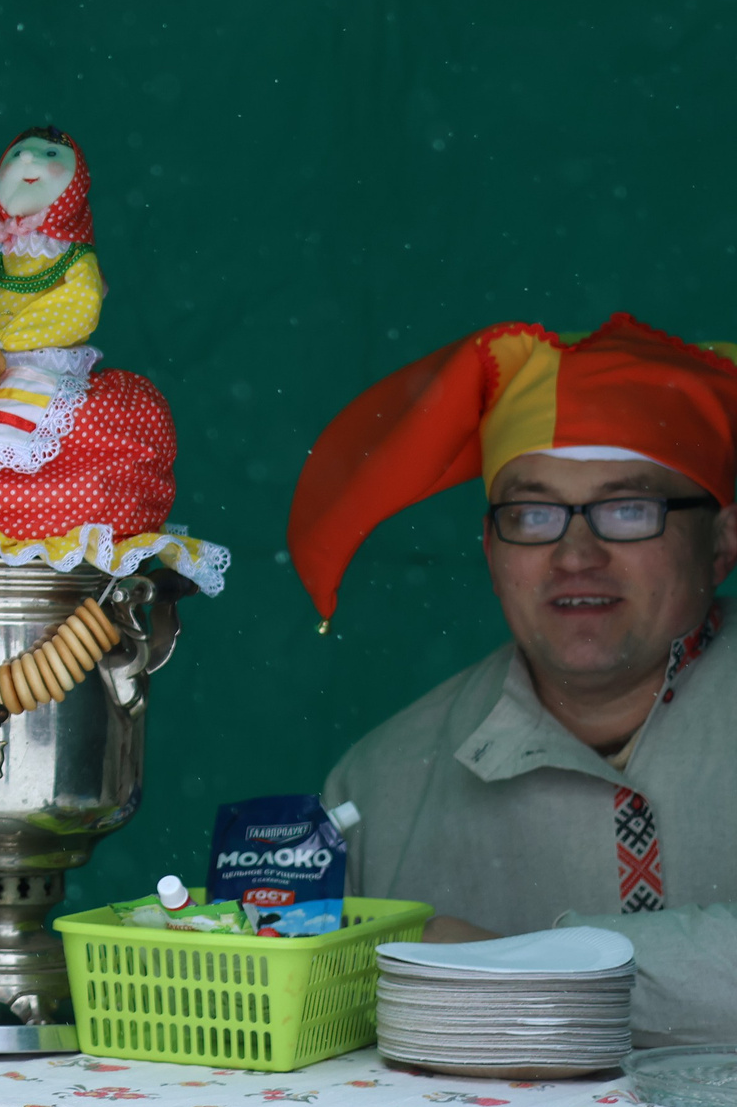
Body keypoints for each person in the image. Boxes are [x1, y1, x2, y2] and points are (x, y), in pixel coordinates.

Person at [292, 314, 737, 1043]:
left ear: (720, 544)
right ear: (492, 551)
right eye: (533, 514)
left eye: (628, 509)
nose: (575, 553)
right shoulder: (377, 786)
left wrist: (514, 965)